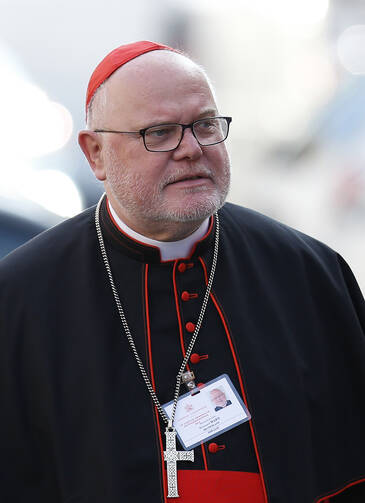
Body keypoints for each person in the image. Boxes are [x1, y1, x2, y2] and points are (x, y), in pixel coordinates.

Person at [0, 41, 364, 503]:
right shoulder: (20, 301)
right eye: (160, 132)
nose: (191, 149)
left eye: (205, 125)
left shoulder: (311, 274)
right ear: (95, 154)